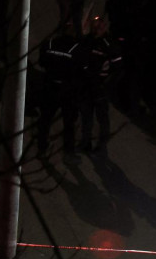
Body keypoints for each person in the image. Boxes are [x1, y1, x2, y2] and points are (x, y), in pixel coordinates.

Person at [38, 20, 83, 164]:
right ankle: (68, 153)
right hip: (67, 89)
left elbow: (42, 62)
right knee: (69, 122)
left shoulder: (49, 43)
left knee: (45, 119)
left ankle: (42, 149)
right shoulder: (77, 48)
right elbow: (80, 69)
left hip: (50, 86)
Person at [78, 15, 122, 155]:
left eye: (100, 26)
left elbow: (118, 69)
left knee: (102, 118)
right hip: (86, 85)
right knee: (86, 116)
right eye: (95, 26)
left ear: (105, 27)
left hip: (100, 87)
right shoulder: (87, 41)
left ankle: (102, 145)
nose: (97, 28)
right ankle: (85, 142)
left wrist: (107, 86)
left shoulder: (109, 45)